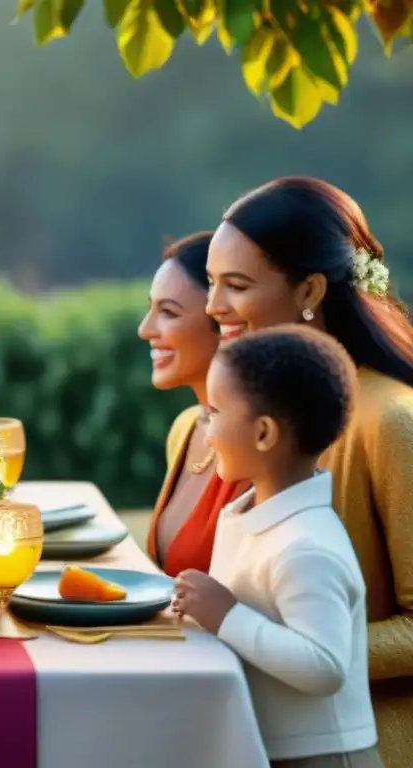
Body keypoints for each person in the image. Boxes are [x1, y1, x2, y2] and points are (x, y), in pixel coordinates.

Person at [205, 176, 413, 767]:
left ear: (311, 289)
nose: (213, 306)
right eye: (211, 283)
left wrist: (257, 640)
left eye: (236, 285)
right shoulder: (259, 417)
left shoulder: (391, 420)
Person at [174, 326, 381, 768]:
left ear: (264, 433)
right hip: (276, 747)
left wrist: (225, 614)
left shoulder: (306, 546)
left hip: (327, 755)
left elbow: (324, 665)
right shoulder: (251, 517)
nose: (205, 430)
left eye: (215, 412)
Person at [139, 232, 246, 576]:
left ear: (225, 321)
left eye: (168, 312)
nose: (145, 329)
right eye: (149, 309)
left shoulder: (265, 443)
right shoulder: (187, 428)